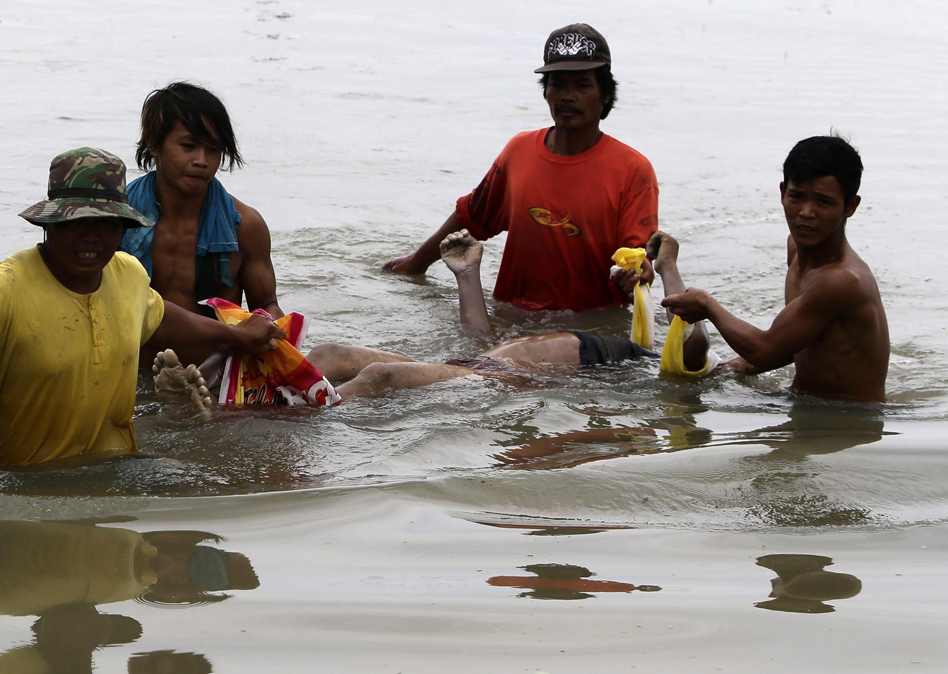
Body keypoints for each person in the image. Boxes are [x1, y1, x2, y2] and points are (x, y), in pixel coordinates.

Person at [0, 147, 283, 492]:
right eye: (77, 224)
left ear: (124, 230)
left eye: (106, 225)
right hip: (26, 481)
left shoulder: (128, 274)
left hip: (121, 468)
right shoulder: (1, 293)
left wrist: (234, 336)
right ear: (49, 225)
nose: (91, 239)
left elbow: (159, 317)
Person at [152, 229, 713, 403]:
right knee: (331, 354)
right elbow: (480, 335)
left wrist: (671, 276)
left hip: (499, 375)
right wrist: (468, 276)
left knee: (379, 378)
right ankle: (235, 396)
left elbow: (693, 349)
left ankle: (261, 418)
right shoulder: (641, 347)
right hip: (478, 360)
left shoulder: (648, 363)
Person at [384, 23, 658, 312]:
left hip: (587, 331)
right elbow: (473, 216)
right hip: (511, 315)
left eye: (582, 85)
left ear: (605, 95)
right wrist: (416, 263)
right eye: (557, 84)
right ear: (545, 92)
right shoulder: (519, 151)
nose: (567, 95)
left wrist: (637, 276)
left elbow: (637, 258)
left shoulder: (633, 170)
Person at [662, 136, 889, 403]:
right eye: (796, 196)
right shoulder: (796, 249)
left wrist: (706, 304)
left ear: (850, 206)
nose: (806, 212)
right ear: (782, 192)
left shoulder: (842, 280)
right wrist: (737, 367)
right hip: (804, 403)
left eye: (823, 202)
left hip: (849, 422)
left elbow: (765, 349)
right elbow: (795, 341)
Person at [121, 82, 282, 369]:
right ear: (153, 143)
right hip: (132, 374)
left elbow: (267, 306)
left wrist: (271, 329)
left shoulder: (246, 226)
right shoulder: (117, 219)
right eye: (188, 146)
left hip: (214, 377)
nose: (201, 161)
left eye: (213, 150)